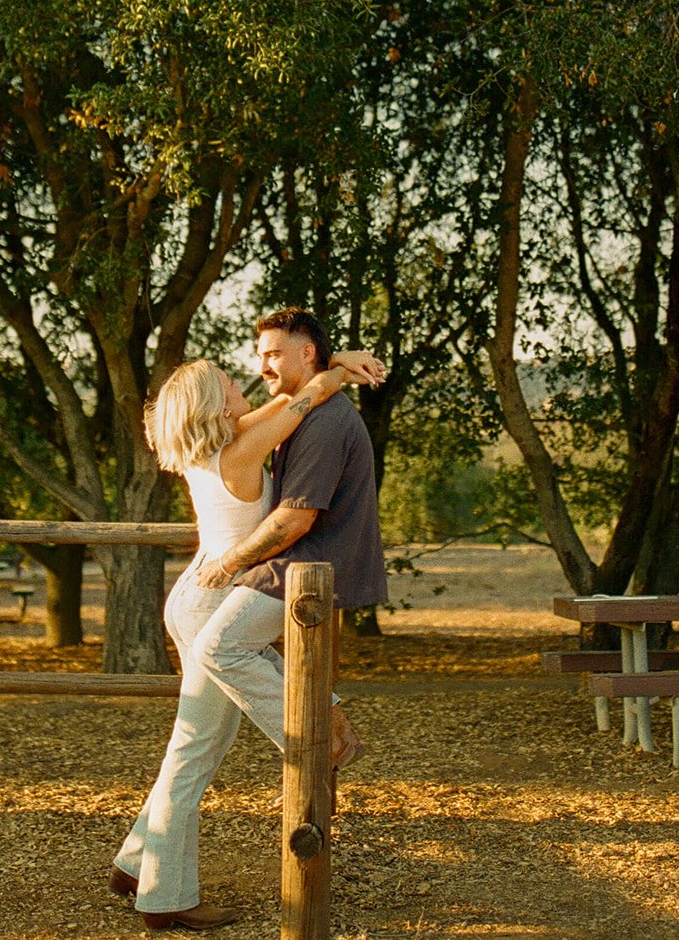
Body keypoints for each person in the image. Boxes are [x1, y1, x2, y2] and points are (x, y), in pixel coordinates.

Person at [110, 339, 384, 932]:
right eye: (232, 383)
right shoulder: (240, 448)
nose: (245, 386)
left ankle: (136, 862)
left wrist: (337, 366)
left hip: (196, 598)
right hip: (211, 604)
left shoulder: (216, 444)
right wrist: (336, 370)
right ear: (216, 403)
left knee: (193, 749)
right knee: (192, 757)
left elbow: (292, 399)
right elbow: (305, 396)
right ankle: (165, 897)